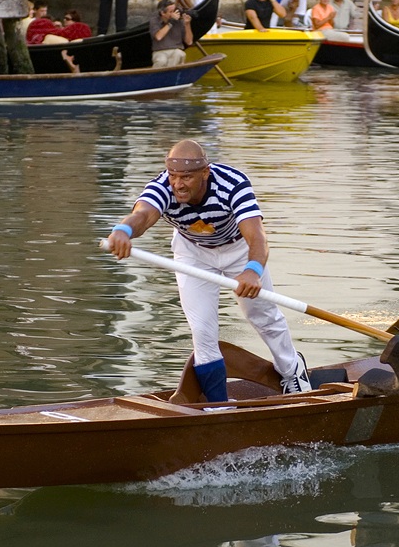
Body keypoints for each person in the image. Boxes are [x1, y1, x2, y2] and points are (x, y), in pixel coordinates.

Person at [106, 139, 312, 400]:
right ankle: (217, 407)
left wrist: (252, 270)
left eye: (187, 177)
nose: (178, 184)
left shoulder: (233, 184)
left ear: (205, 173)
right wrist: (123, 231)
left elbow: (257, 236)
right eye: (173, 176)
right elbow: (143, 216)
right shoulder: (163, 187)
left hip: (239, 250)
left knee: (262, 315)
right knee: (202, 329)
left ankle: (292, 371)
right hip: (192, 253)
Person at [149, 0, 192, 68]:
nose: (174, 13)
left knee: (179, 54)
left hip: (176, 49)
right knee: (161, 61)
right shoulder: (154, 21)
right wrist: (171, 23)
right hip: (160, 51)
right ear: (163, 13)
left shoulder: (179, 21)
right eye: (171, 12)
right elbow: (158, 37)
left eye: (174, 10)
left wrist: (187, 24)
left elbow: (189, 42)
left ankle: (170, 76)